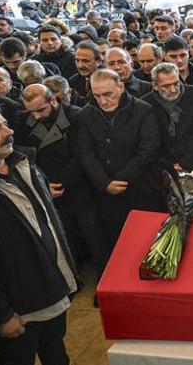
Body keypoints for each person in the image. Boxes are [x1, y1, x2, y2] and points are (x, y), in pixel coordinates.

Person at [0, 102, 78, 365]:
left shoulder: (23, 162)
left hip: (52, 288)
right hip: (18, 309)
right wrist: (1, 315)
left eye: (4, 123)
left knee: (56, 351)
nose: (8, 131)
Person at [13, 84, 108, 280]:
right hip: (46, 186)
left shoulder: (77, 116)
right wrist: (43, 184)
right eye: (32, 112)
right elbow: (22, 154)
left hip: (79, 186)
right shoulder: (23, 120)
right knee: (66, 235)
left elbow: (82, 155)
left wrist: (60, 183)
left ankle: (104, 279)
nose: (37, 116)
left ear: (54, 100)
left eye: (41, 110)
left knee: (94, 236)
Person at [76, 69, 161, 253]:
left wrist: (121, 179)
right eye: (97, 95)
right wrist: (104, 182)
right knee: (117, 244)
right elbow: (85, 152)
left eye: (108, 94)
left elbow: (147, 151)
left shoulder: (143, 110)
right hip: (104, 193)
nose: (103, 101)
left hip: (139, 188)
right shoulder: (85, 114)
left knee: (145, 241)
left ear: (121, 86)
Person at [144, 63, 193, 172]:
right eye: (166, 86)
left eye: (176, 83)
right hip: (162, 168)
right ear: (155, 85)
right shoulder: (146, 104)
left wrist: (185, 162)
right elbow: (150, 141)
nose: (173, 89)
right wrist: (168, 166)